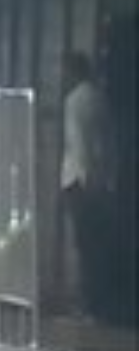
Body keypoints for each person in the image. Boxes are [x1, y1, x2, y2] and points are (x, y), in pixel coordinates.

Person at [60, 51, 117, 321]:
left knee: (80, 245)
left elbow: (78, 142)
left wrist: (82, 179)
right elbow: (107, 143)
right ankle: (97, 303)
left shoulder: (73, 101)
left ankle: (81, 304)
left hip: (79, 181)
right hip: (101, 182)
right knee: (96, 245)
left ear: (72, 71)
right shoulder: (99, 98)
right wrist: (105, 179)